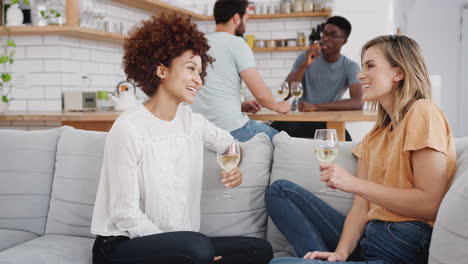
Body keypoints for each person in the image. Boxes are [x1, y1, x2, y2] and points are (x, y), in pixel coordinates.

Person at [90, 13, 273, 264]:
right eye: (190, 69)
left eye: (200, 71)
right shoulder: (128, 128)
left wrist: (235, 167)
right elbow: (125, 214)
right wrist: (178, 248)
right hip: (122, 245)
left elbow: (229, 144)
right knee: (197, 249)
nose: (199, 80)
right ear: (161, 70)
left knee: (259, 249)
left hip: (180, 242)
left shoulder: (192, 121)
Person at [265, 35, 456, 264]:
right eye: (363, 65)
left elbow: (431, 204)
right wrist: (340, 254)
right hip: (370, 240)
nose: (359, 74)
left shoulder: (423, 112)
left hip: (399, 247)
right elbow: (360, 207)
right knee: (280, 191)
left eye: (370, 66)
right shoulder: (375, 136)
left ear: (398, 73)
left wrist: (354, 184)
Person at [191, 0, 291, 142]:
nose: (245, 25)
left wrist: (239, 105)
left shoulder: (198, 43)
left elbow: (207, 92)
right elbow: (261, 95)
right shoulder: (237, 43)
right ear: (237, 18)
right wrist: (279, 107)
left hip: (201, 131)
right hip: (231, 129)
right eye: (246, 19)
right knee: (283, 142)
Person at [271, 16, 362, 140]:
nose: (325, 39)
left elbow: (358, 102)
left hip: (325, 121)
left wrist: (315, 107)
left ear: (344, 41)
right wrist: (304, 65)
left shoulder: (350, 67)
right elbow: (287, 94)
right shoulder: (306, 56)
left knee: (345, 143)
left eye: (332, 35)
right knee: (272, 135)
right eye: (324, 33)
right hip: (297, 118)